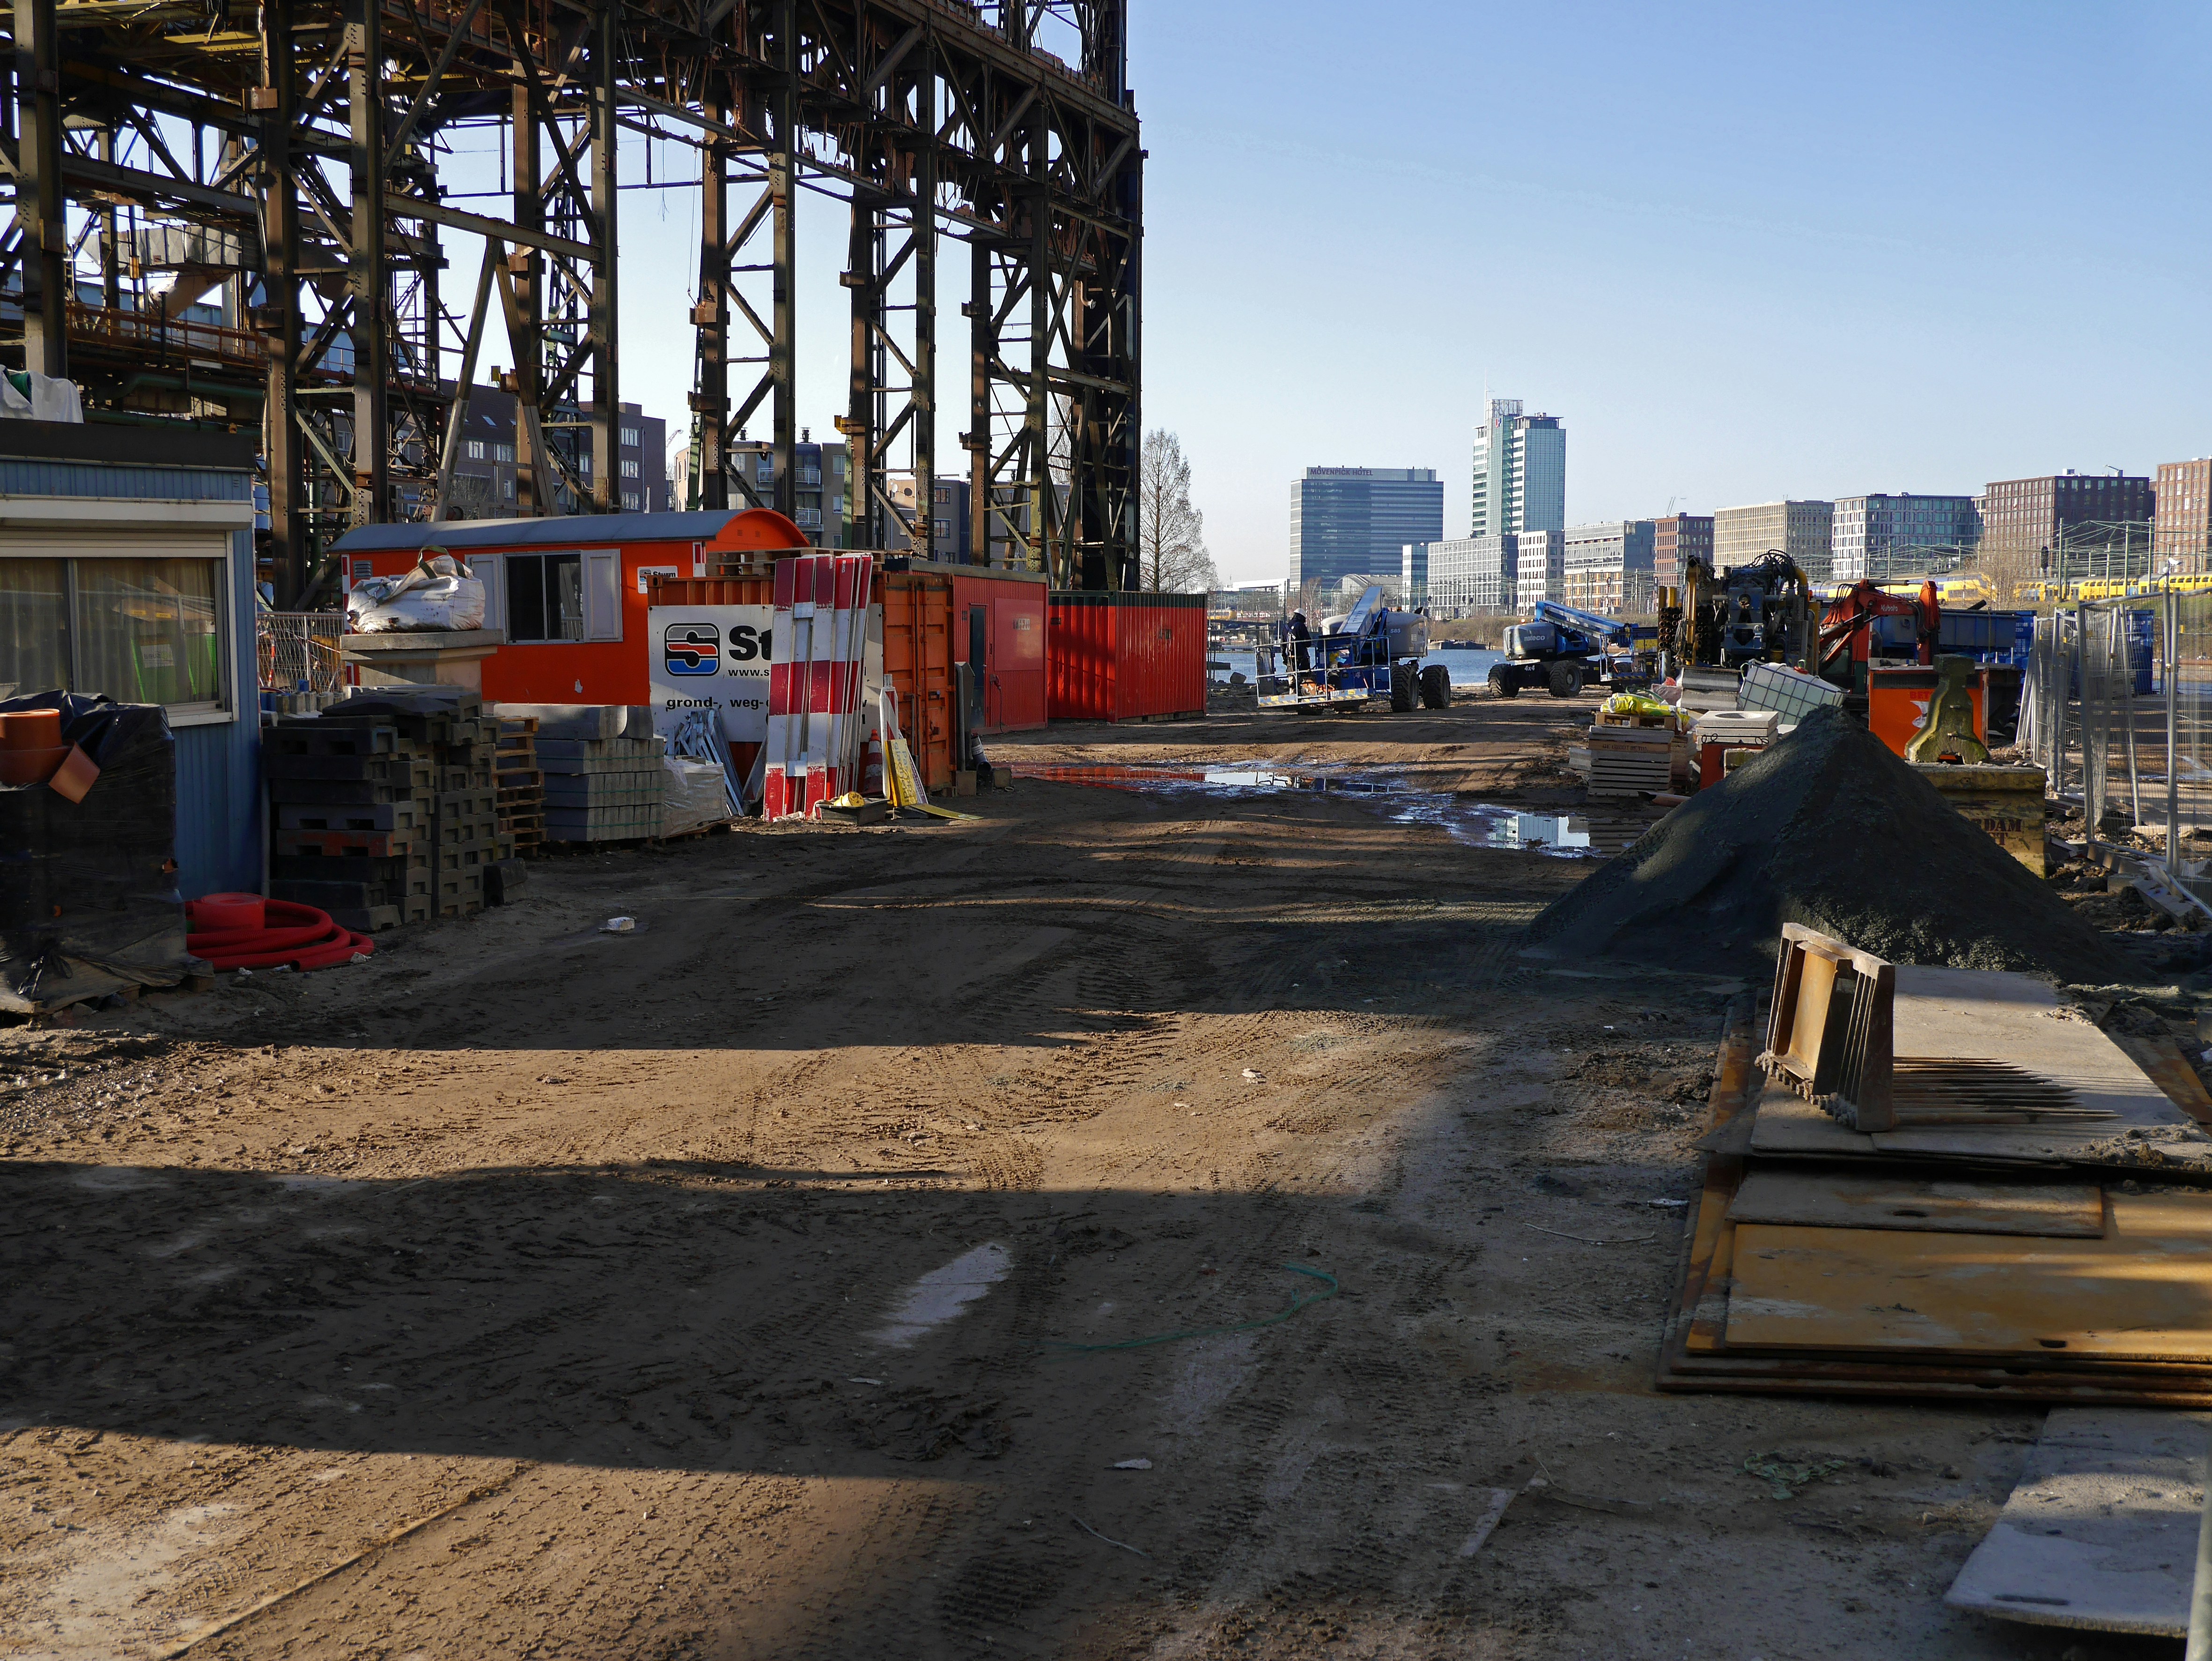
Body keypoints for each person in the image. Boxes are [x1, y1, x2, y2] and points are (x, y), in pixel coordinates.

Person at [1287, 610, 1311, 675]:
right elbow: (1308, 643)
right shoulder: (1301, 626)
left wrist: (1285, 657)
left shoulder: (1286, 626)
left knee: (1291, 673)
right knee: (1305, 672)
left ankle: (1292, 683)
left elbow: (1283, 644)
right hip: (1301, 654)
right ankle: (1305, 682)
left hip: (1290, 654)